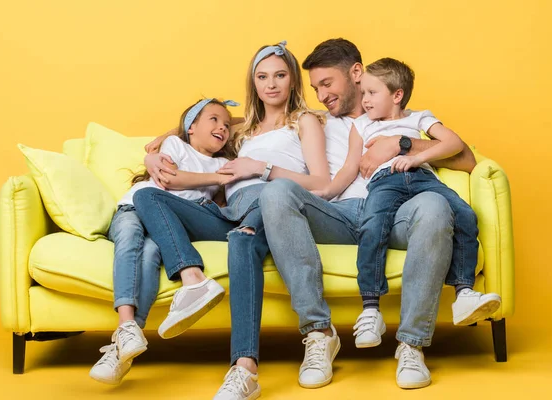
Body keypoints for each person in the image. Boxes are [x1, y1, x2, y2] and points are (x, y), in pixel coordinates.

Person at [258, 38, 477, 390]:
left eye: (327, 84)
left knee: (436, 205)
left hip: (400, 215)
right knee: (277, 192)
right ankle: (318, 334)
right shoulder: (315, 121)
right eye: (315, 88)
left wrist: (400, 144)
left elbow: (466, 159)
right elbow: (244, 120)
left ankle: (412, 345)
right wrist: (176, 131)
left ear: (357, 74)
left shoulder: (400, 117)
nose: (321, 95)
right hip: (339, 216)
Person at [143, 41, 330, 400]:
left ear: (292, 81)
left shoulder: (304, 121)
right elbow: (189, 128)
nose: (271, 84)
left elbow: (321, 184)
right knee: (147, 196)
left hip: (270, 207)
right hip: (230, 213)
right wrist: (153, 155)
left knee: (243, 239)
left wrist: (261, 168)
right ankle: (193, 278)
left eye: (279, 75)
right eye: (262, 77)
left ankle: (244, 370)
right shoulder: (245, 127)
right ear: (253, 82)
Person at [318, 57, 501, 342]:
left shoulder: (419, 118)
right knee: (372, 225)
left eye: (371, 93)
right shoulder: (362, 125)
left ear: (397, 95)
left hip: (422, 178)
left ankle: (464, 292)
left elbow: (454, 143)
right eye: (363, 92)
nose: (364, 100)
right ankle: (370, 308)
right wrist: (325, 194)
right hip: (384, 181)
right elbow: (349, 167)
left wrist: (416, 157)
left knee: (464, 214)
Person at [90, 98, 239, 385]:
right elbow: (170, 180)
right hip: (134, 207)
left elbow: (249, 120)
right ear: (191, 127)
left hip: (165, 222)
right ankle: (125, 327)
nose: (223, 127)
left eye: (226, 124)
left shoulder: (225, 162)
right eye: (214, 119)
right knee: (131, 242)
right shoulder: (175, 146)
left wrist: (223, 176)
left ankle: (123, 346)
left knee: (149, 254)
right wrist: (217, 178)